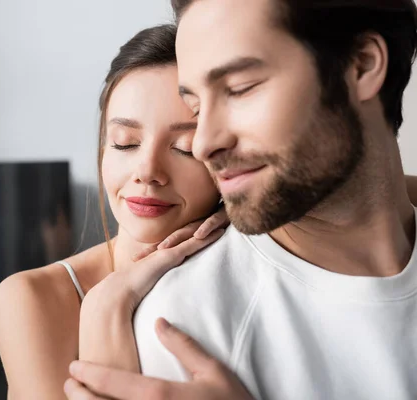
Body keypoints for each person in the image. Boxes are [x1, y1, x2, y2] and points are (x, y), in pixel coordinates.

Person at [64, 1, 417, 399]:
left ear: (362, 65)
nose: (203, 142)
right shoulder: (181, 330)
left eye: (239, 89)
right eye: (196, 107)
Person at [0, 24, 229, 400]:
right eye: (125, 143)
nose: (147, 172)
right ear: (104, 149)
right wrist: (109, 302)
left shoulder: (243, 274)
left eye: (184, 148)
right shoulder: (29, 298)